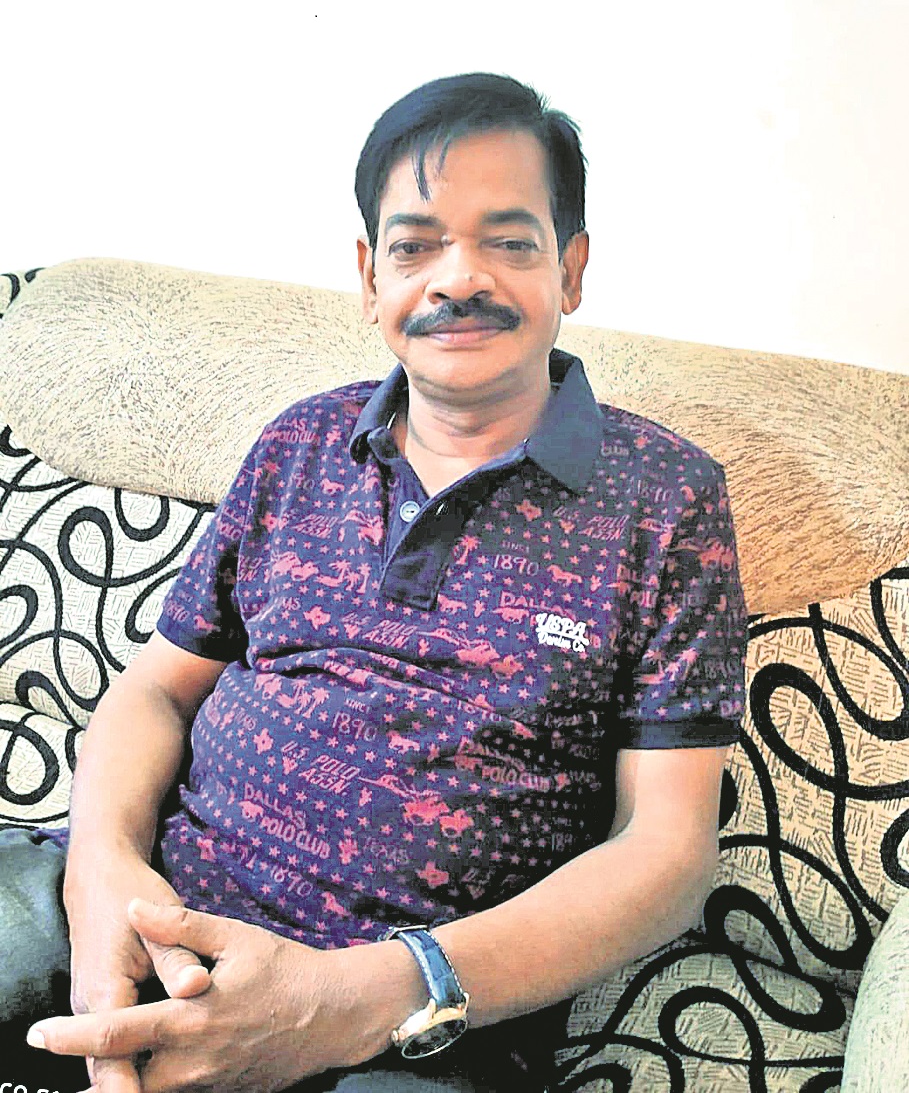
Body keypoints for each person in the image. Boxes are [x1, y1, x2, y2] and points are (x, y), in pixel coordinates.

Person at [6, 72, 747, 1092]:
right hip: (147, 909)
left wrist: (354, 998)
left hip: (411, 1023)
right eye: (414, 246)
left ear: (571, 269)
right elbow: (156, 688)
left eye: (509, 242)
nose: (457, 278)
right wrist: (101, 875)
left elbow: (667, 854)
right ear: (369, 277)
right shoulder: (302, 442)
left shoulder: (666, 498)